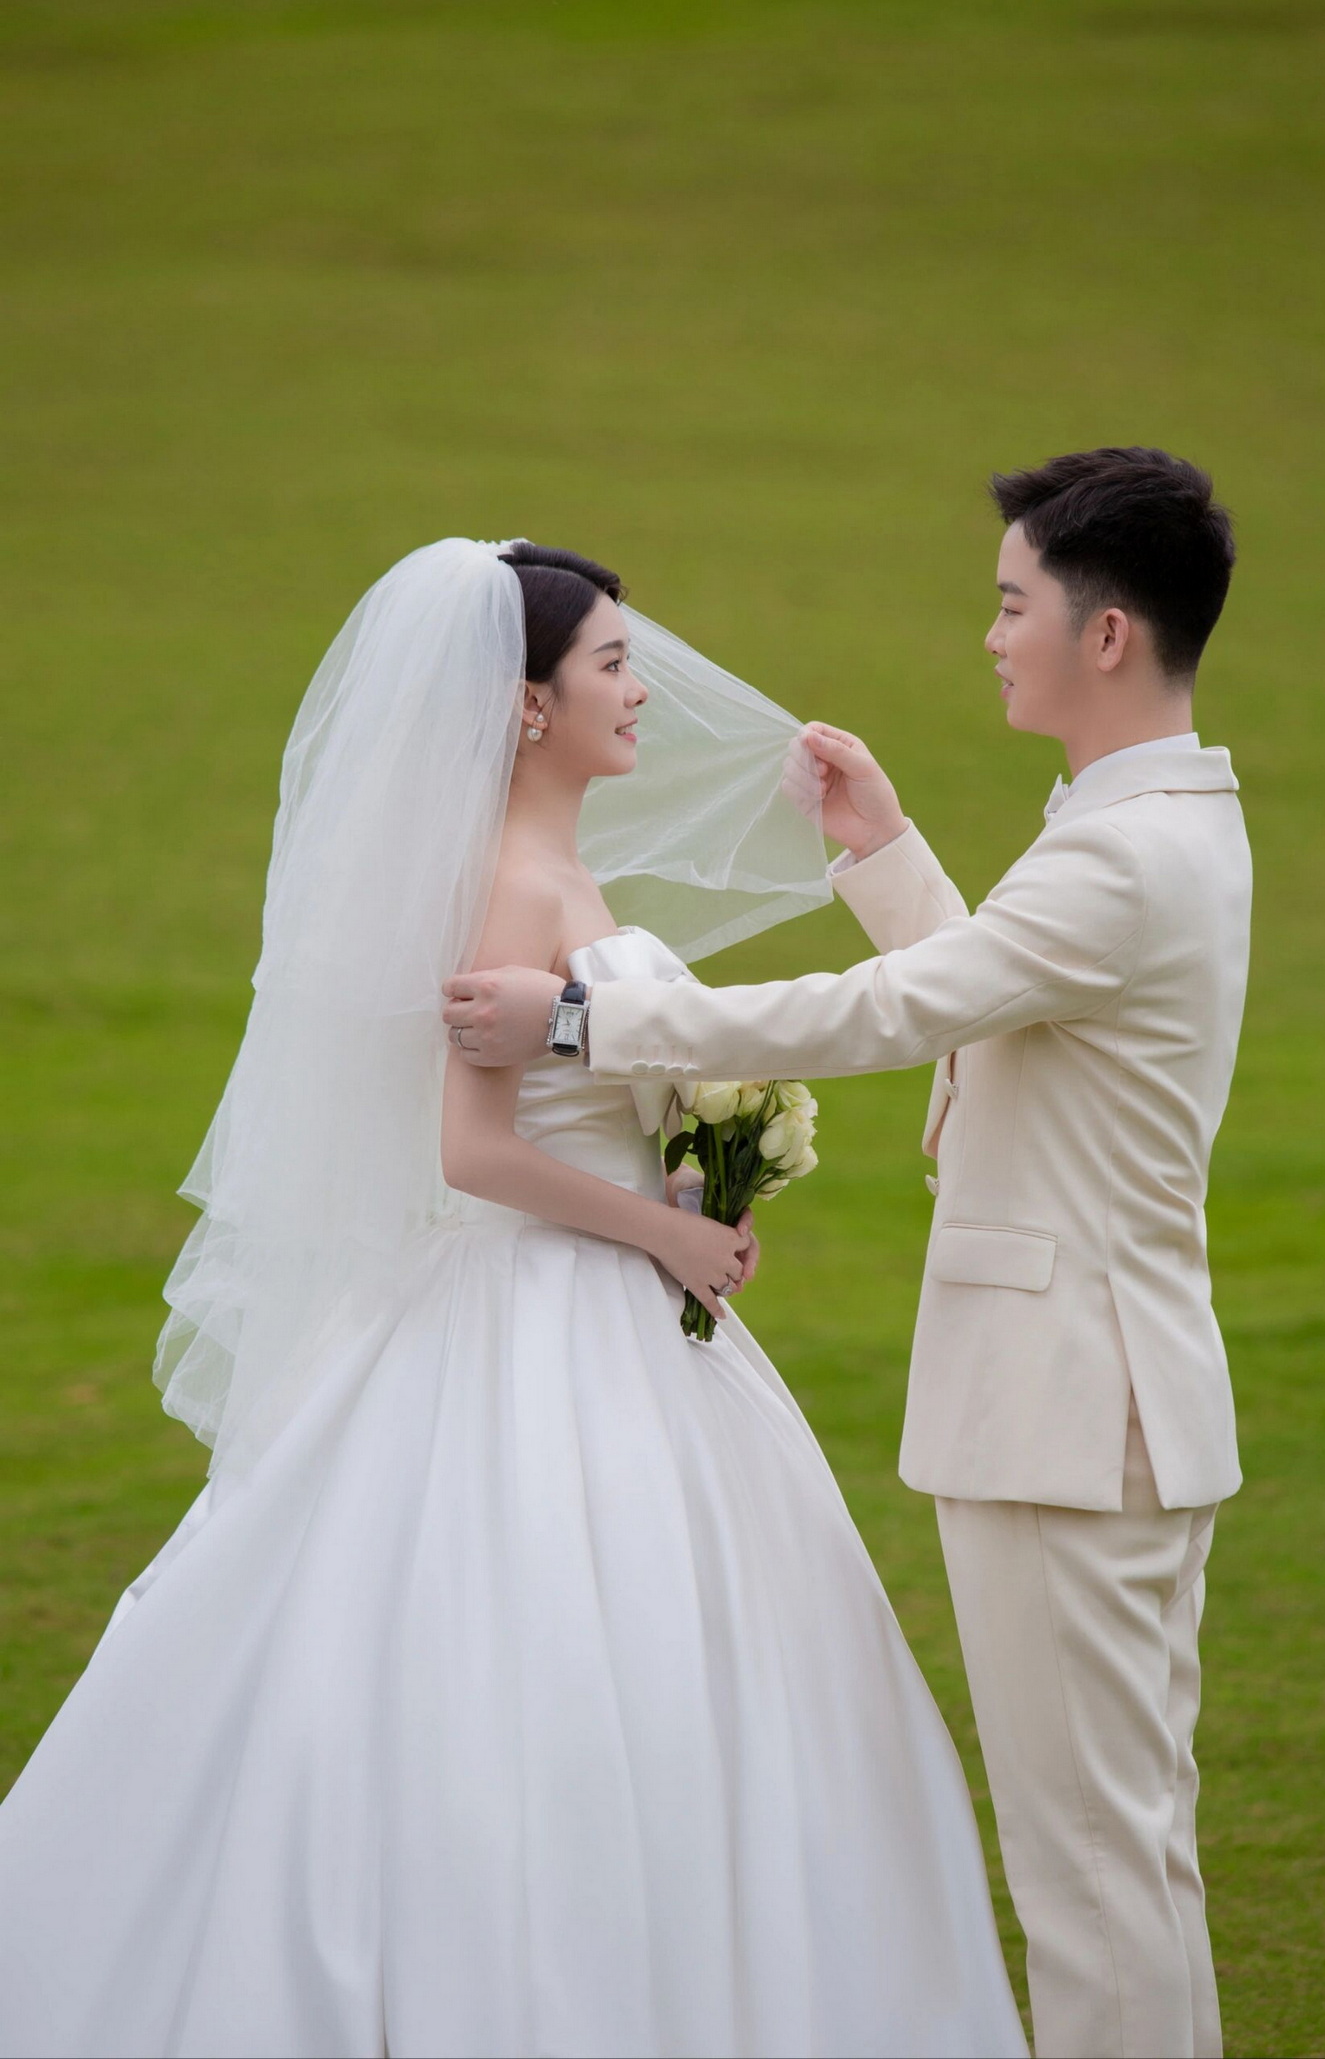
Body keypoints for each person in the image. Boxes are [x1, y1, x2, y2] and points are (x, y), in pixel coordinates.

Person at [0, 538, 1026, 2059]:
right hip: (529, 1301)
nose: (642, 688)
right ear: (529, 703)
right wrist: (662, 1234)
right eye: (612, 662)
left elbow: (593, 1086)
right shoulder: (504, 879)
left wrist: (699, 1187)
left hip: (620, 1295)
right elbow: (472, 1151)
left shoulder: (567, 870)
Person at [444, 449, 1252, 2059]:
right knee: (1127, 1851)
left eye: (1010, 604)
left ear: (1103, 633)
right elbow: (1005, 999)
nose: (989, 636)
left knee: (1091, 1874)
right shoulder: (1154, 826)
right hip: (1111, 1405)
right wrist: (883, 856)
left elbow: (892, 1014)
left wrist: (585, 1020)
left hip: (1064, 1417)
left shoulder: (1121, 850)